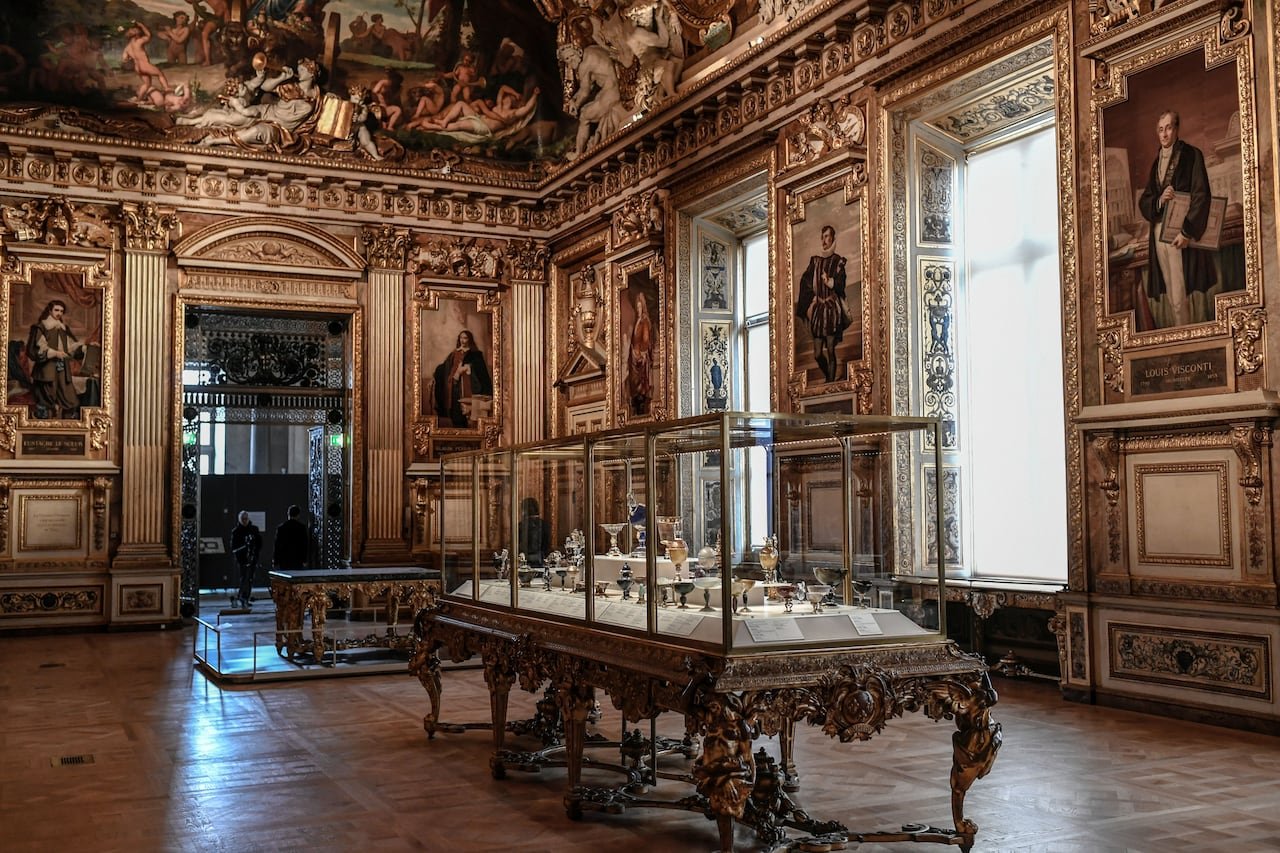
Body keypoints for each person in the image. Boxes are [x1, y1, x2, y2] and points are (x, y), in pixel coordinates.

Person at [1137, 109, 1216, 329]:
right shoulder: (1156, 163)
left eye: (1168, 128)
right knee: (1172, 293)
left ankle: (1186, 336)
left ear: (1177, 129)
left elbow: (1201, 194)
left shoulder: (1191, 155)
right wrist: (1160, 200)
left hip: (1180, 231)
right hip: (1159, 233)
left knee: (1181, 293)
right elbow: (1145, 200)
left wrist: (1187, 231)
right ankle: (1179, 336)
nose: (1164, 134)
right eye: (1160, 130)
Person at [794, 224, 850, 383]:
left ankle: (830, 383)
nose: (824, 240)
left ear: (832, 238)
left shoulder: (838, 261)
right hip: (819, 310)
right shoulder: (815, 261)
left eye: (827, 236)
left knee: (831, 350)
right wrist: (810, 301)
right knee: (817, 354)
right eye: (822, 237)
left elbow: (840, 284)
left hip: (831, 310)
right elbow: (805, 282)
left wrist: (829, 281)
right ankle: (828, 376)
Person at [27, 299, 86, 419]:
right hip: (46, 370)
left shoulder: (63, 328)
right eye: (56, 310)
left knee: (70, 398)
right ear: (50, 311)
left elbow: (70, 347)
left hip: (62, 369)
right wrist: (54, 353)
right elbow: (34, 350)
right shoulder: (41, 327)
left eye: (61, 311)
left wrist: (83, 347)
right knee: (46, 400)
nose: (59, 313)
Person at [433, 330, 492, 427]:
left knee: (465, 411)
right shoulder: (454, 353)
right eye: (461, 338)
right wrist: (434, 376)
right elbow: (443, 367)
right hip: (453, 386)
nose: (463, 340)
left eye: (465, 338)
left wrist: (468, 368)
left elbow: (480, 371)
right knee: (455, 409)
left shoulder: (475, 354)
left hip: (467, 386)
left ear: (469, 339)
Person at [625, 291, 653, 415]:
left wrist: (640, 352)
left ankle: (641, 397)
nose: (638, 309)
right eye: (637, 307)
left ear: (643, 307)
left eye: (640, 307)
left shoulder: (644, 322)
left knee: (641, 381)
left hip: (641, 356)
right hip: (634, 355)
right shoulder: (637, 321)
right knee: (634, 381)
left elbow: (646, 340)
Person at [229, 510, 262, 609]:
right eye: (243, 519)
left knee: (250, 579)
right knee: (244, 578)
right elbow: (234, 547)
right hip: (242, 559)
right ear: (239, 519)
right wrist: (244, 548)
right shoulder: (236, 531)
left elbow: (259, 543)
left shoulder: (254, 529)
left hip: (252, 558)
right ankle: (242, 597)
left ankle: (245, 598)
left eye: (246, 518)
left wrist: (254, 555)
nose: (244, 520)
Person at [272, 504, 309, 570]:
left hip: (284, 559)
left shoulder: (281, 528)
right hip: (297, 559)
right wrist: (304, 560)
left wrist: (275, 561)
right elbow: (304, 544)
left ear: (288, 514)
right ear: (298, 515)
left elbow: (277, 545)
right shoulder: (301, 528)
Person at [517, 498, 552, 567]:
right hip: (541, 561)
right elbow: (547, 545)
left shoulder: (521, 525)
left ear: (524, 511)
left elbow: (518, 545)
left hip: (524, 561)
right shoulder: (545, 525)